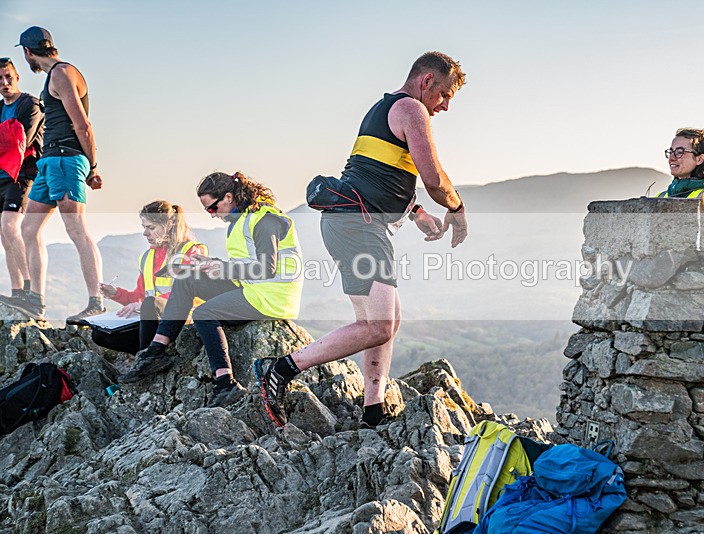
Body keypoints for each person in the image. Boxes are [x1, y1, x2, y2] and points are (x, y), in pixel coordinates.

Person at [254, 51, 468, 429]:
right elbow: (433, 178)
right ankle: (281, 369)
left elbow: (378, 175)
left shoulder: (383, 109)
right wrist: (458, 209)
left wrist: (415, 213)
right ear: (426, 82)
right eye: (446, 94)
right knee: (380, 325)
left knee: (384, 320)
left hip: (351, 222)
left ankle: (373, 408)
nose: (446, 106)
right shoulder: (411, 109)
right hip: (359, 225)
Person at [118, 172, 303, 409]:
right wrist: (208, 263)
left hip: (271, 296)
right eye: (208, 211)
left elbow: (266, 269)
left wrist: (222, 267)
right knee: (187, 277)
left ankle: (226, 383)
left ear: (228, 196)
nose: (212, 215)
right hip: (251, 288)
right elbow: (244, 263)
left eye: (213, 208)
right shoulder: (241, 220)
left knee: (204, 313)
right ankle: (155, 351)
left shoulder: (264, 219)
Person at [4, 27, 104, 323]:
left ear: (27, 52)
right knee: (28, 230)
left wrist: (93, 167)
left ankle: (95, 301)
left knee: (76, 230)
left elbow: (82, 124)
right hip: (50, 162)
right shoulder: (55, 75)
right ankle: (35, 299)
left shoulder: (61, 73)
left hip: (66, 160)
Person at [91, 201, 207, 355]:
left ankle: (145, 361)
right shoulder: (147, 258)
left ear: (170, 224)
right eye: (144, 227)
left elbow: (188, 294)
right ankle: (146, 353)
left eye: (151, 228)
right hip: (155, 321)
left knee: (150, 303)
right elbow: (139, 297)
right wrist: (116, 293)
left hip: (183, 321)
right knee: (99, 335)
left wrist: (146, 305)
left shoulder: (191, 251)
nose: (145, 233)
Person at [0, 57, 43, 303]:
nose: (5, 83)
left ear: (17, 77)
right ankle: (17, 292)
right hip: (0, 175)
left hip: (20, 174)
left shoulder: (30, 105)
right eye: (0, 79)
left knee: (10, 227)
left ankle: (30, 288)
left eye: (8, 77)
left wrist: (7, 134)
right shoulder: (0, 108)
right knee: (4, 236)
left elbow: (20, 139)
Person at [657, 128, 704, 198]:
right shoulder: (660, 197)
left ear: (699, 159)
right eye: (671, 151)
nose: (671, 158)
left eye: (679, 152)